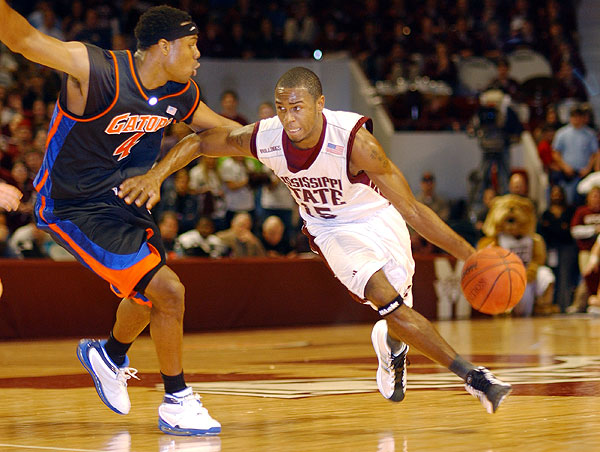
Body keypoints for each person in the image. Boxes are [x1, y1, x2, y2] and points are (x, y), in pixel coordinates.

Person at [119, 67, 512, 414]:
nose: (288, 118)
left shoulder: (356, 142)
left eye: (298, 107)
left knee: (400, 316)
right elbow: (201, 141)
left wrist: (471, 255)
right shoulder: (267, 138)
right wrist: (157, 175)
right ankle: (474, 378)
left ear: (320, 104)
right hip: (330, 229)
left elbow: (412, 210)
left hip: (378, 217)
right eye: (281, 107)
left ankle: (391, 348)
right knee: (387, 300)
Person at [0, 2, 241, 436]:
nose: (198, 54)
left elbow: (221, 132)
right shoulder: (94, 70)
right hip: (73, 204)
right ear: (163, 47)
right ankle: (176, 399)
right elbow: (24, 40)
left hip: (129, 200)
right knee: (168, 290)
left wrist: (287, 143)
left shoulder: (179, 93)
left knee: (149, 296)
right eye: (192, 45)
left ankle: (109, 355)